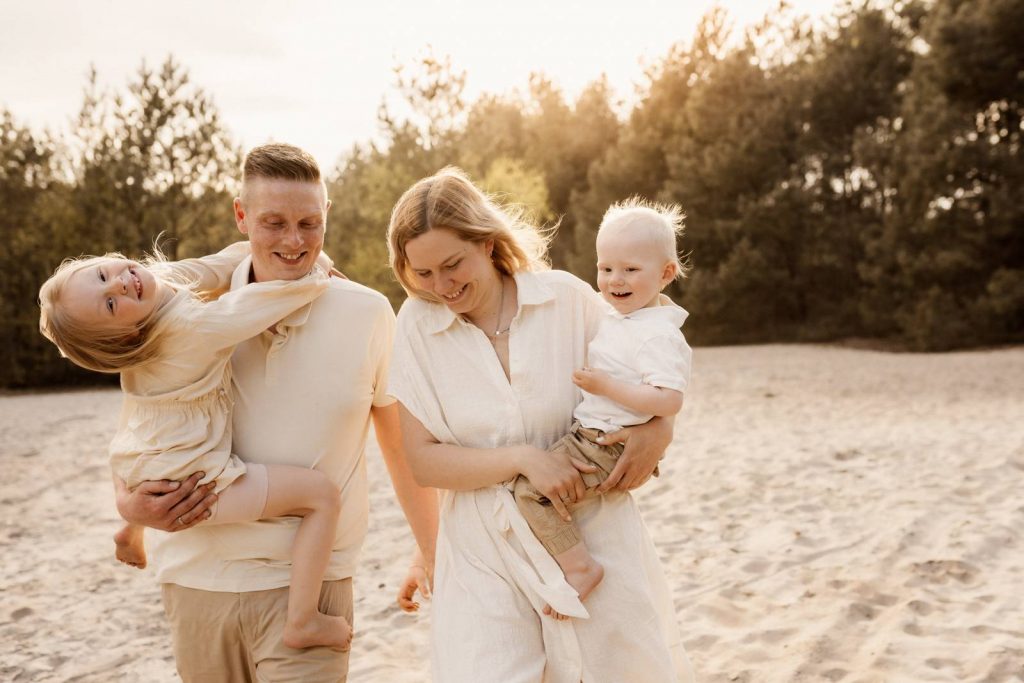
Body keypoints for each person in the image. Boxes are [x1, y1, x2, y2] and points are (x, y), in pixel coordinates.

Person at [111, 143, 437, 682]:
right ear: (241, 216)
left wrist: (429, 551)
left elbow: (401, 444)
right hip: (198, 581)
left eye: (310, 223)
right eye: (274, 222)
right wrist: (129, 506)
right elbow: (144, 427)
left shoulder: (367, 312)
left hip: (311, 588)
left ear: (327, 215)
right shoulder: (181, 316)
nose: (294, 241)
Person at [387, 167, 694, 682]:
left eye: (452, 264)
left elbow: (653, 353)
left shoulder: (566, 298)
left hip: (592, 528)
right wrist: (523, 459)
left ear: (486, 243)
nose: (441, 286)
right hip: (482, 551)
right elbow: (422, 461)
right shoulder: (416, 326)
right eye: (422, 273)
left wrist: (659, 432)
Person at [38, 244, 360, 650]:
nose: (120, 282)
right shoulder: (191, 329)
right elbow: (277, 296)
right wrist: (320, 262)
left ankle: (130, 530)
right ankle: (302, 619)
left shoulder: (158, 283)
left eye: (104, 274)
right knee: (321, 496)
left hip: (145, 457)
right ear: (127, 335)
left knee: (167, 444)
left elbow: (226, 261)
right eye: (110, 304)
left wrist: (262, 247)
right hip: (190, 484)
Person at [512, 198, 692, 619]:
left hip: (605, 443)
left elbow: (670, 399)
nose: (614, 279)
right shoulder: (621, 315)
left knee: (530, 491)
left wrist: (606, 385)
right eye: (606, 267)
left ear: (666, 273)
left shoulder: (657, 335)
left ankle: (580, 568)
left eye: (630, 269)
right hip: (591, 434)